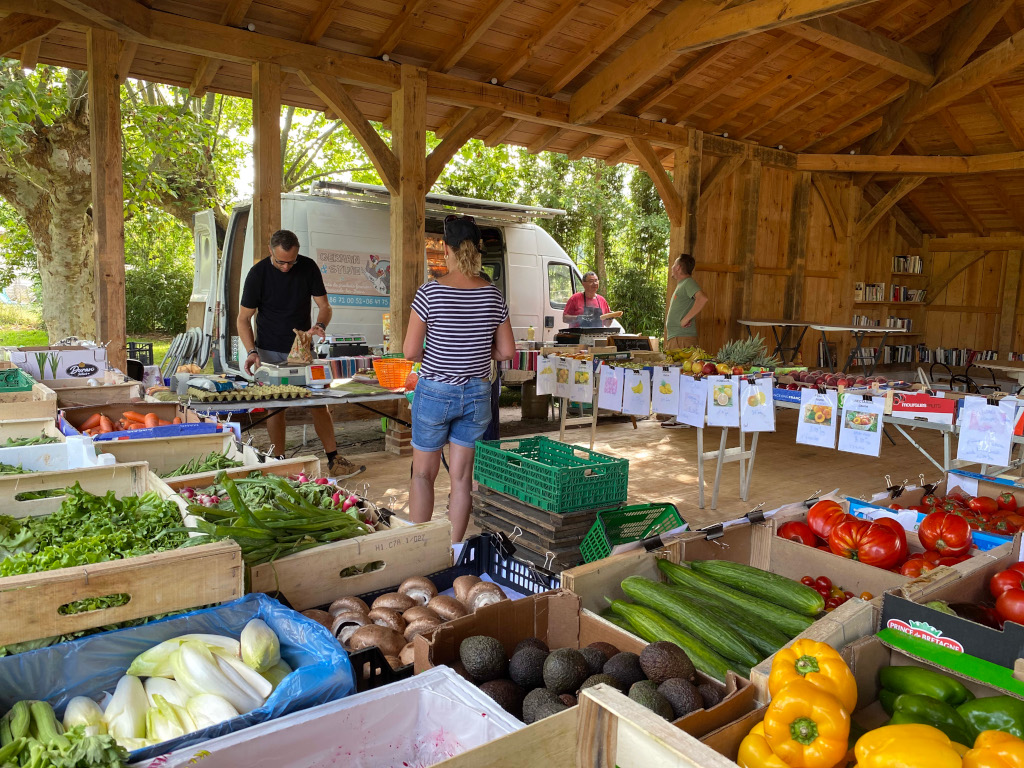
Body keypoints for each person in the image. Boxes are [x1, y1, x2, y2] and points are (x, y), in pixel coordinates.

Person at [403, 215, 516, 542]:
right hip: (477, 395)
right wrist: (477, 350)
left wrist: (439, 353)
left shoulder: (429, 292)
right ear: (478, 250)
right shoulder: (492, 295)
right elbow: (507, 351)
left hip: (435, 393)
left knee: (422, 475)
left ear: (445, 249)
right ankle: (453, 550)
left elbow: (410, 351)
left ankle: (419, 549)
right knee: (462, 480)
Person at [237, 229, 365, 479]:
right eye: (280, 262)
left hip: (303, 350)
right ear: (270, 251)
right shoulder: (258, 274)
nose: (286, 267)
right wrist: (251, 351)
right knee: (276, 407)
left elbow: (325, 306)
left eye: (291, 262)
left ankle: (334, 460)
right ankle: (279, 462)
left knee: (319, 402)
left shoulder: (308, 267)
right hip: (269, 350)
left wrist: (320, 325)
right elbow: (243, 319)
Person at [663, 253, 708, 429]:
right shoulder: (682, 285)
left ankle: (684, 417)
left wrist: (686, 318)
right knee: (678, 375)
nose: (672, 267)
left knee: (684, 376)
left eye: (674, 264)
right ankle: (679, 415)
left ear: (679, 267)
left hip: (683, 338)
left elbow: (702, 298)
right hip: (677, 338)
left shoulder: (688, 282)